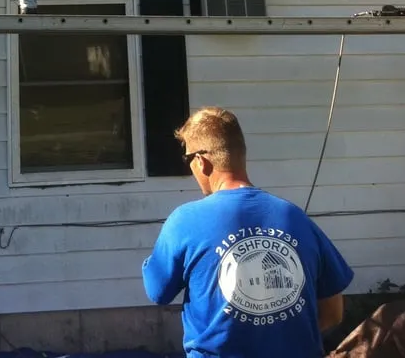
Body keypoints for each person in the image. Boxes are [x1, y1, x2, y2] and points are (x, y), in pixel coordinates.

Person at [142, 106, 353, 358]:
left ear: (201, 161)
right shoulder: (295, 217)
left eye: (188, 159)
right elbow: (333, 312)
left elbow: (158, 291)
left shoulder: (184, 221)